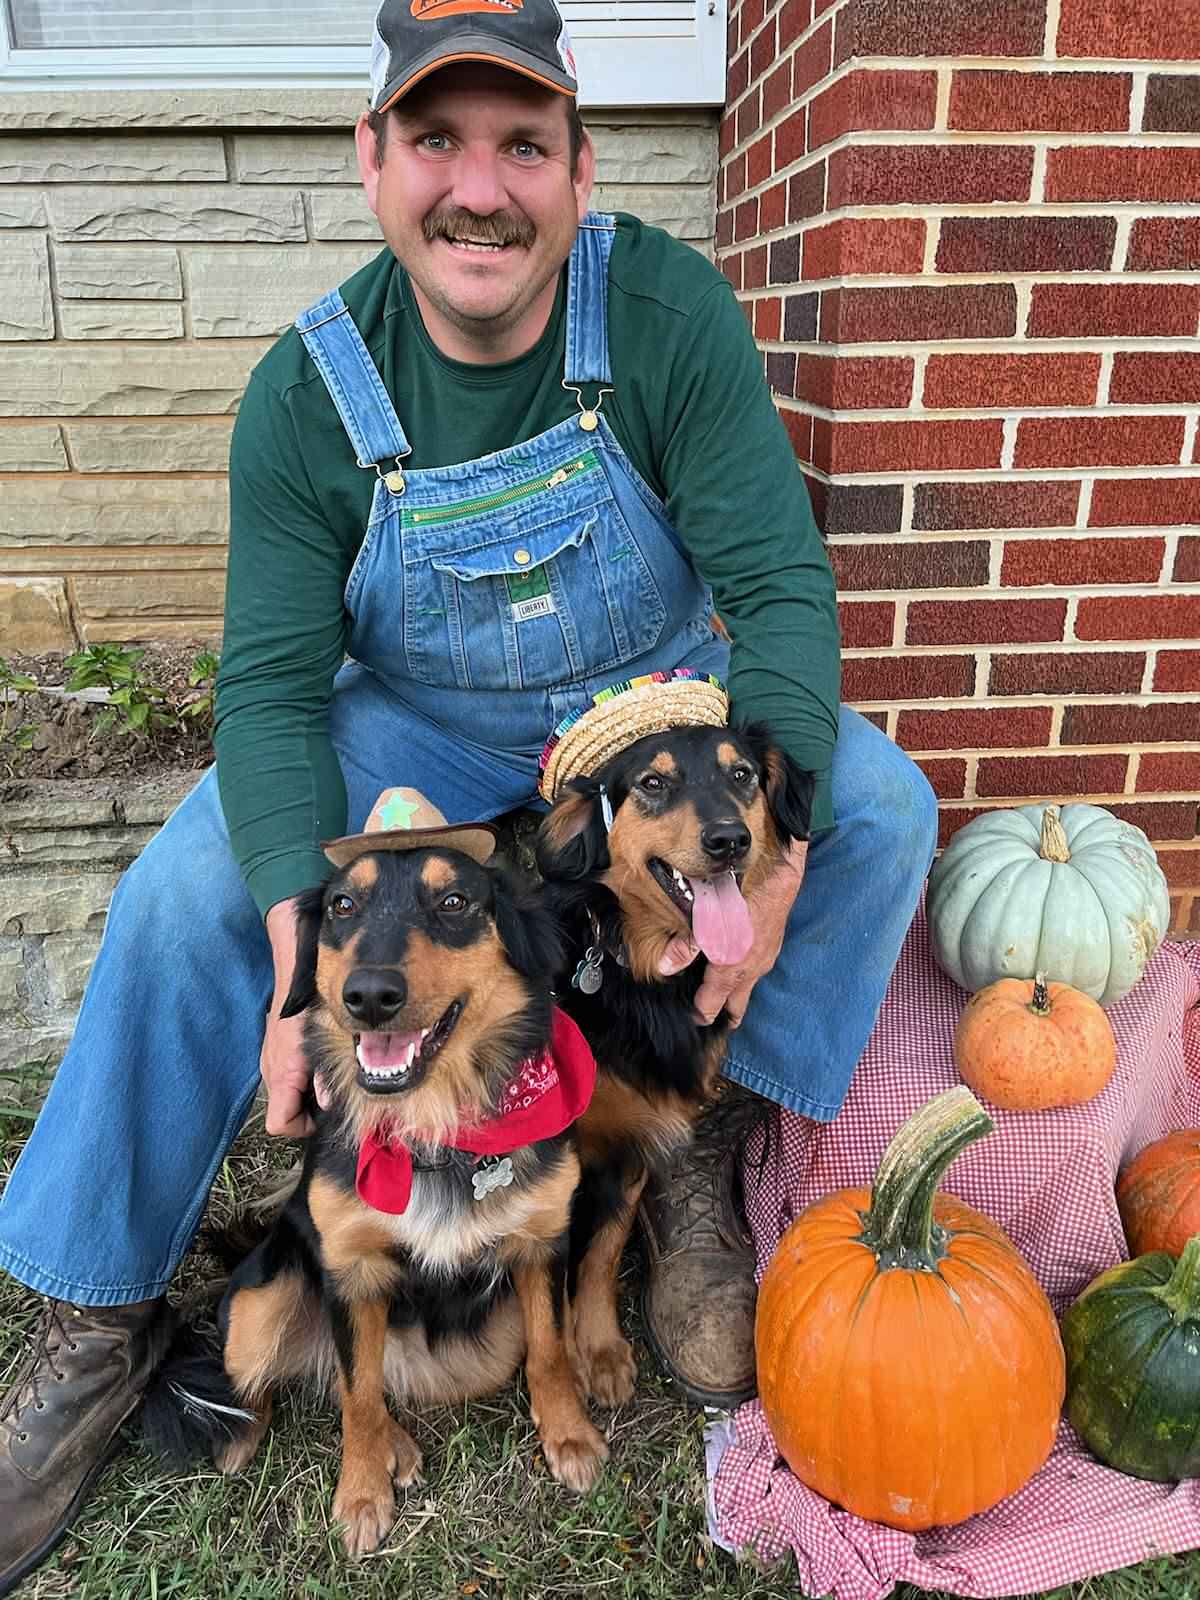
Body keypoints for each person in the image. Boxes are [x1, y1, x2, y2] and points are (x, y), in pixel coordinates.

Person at [0, 0, 937, 1588]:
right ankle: (95, 1311)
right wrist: (301, 961)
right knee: (179, 895)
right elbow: (275, 691)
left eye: (523, 144)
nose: (480, 189)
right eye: (437, 139)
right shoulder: (307, 394)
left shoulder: (667, 316)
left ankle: (692, 1148)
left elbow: (777, 583)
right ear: (374, 161)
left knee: (889, 808)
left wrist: (764, 884)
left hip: (646, 694)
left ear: (581, 168)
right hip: (410, 729)